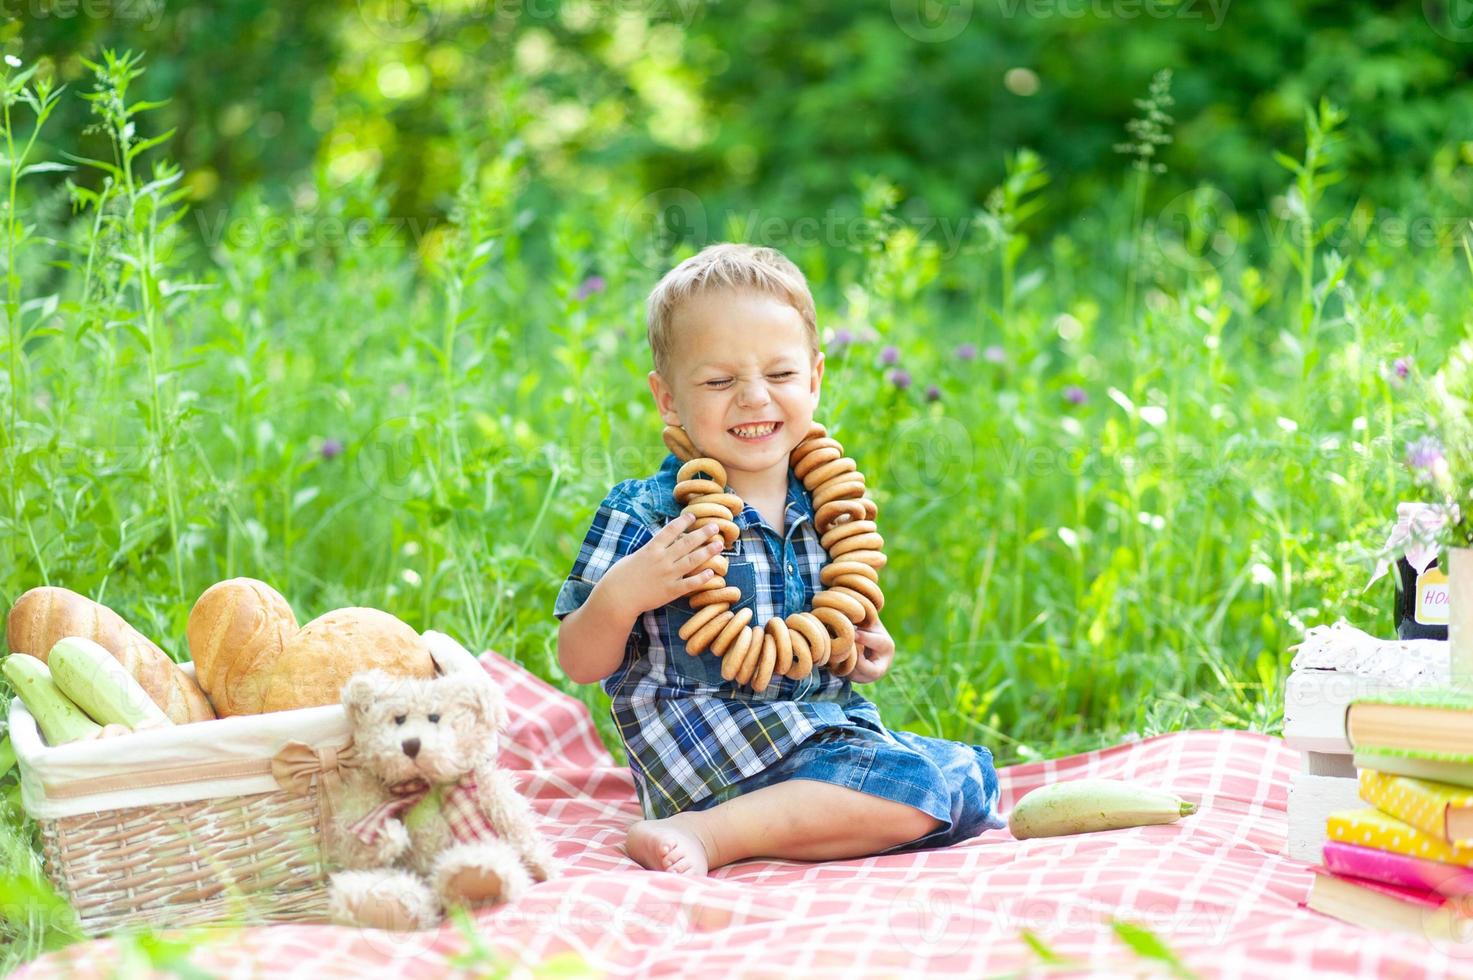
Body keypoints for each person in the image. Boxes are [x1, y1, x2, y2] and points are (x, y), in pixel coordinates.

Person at [553, 243, 1005, 875]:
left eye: (781, 375)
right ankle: (707, 834)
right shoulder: (649, 515)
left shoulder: (826, 504)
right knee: (913, 787)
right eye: (718, 381)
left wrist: (861, 645)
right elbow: (577, 660)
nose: (754, 398)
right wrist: (628, 590)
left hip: (817, 733)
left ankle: (798, 822)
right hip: (708, 745)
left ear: (815, 378)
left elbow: (825, 631)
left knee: (969, 782)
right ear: (668, 399)